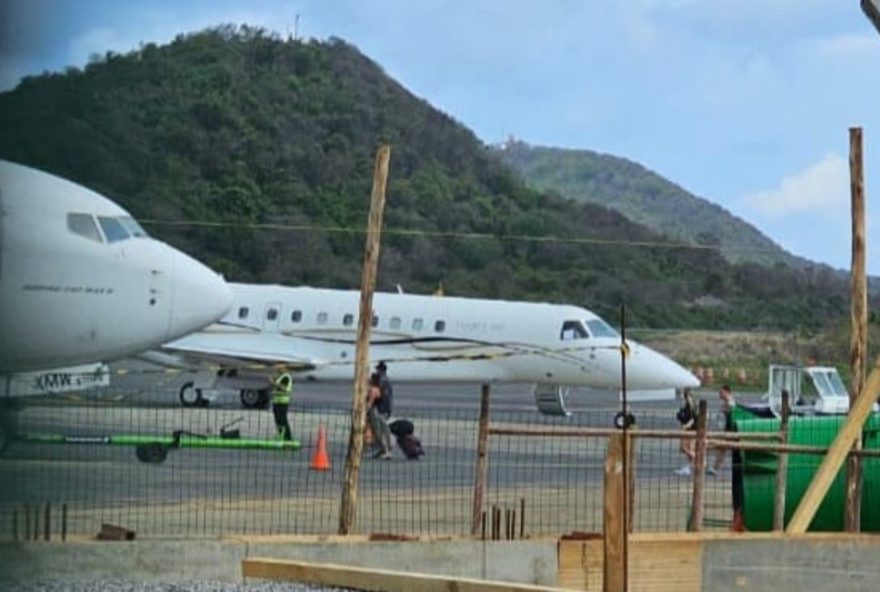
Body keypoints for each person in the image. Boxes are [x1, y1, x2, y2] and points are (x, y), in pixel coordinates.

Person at [709, 384, 735, 475]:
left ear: (727, 392)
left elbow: (731, 414)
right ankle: (714, 468)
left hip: (730, 430)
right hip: (726, 430)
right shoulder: (726, 403)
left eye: (721, 392)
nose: (719, 394)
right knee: (721, 448)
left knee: (720, 447)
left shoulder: (730, 403)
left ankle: (713, 467)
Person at [366, 372, 393, 459]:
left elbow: (370, 404)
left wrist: (365, 411)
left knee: (380, 432)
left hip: (376, 412)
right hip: (383, 412)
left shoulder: (373, 390)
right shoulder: (381, 388)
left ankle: (386, 451)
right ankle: (383, 450)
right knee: (383, 431)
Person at [675, 388, 697, 476]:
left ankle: (699, 460)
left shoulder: (691, 405)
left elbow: (692, 419)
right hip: (689, 428)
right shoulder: (689, 404)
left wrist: (685, 426)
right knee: (686, 448)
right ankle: (688, 467)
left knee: (684, 447)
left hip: (689, 429)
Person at [270, 371, 293, 441]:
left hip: (282, 402)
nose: (277, 368)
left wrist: (273, 382)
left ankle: (288, 437)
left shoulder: (286, 377)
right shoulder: (280, 377)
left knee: (283, 420)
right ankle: (281, 436)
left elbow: (283, 388)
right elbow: (275, 388)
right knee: (278, 420)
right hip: (276, 401)